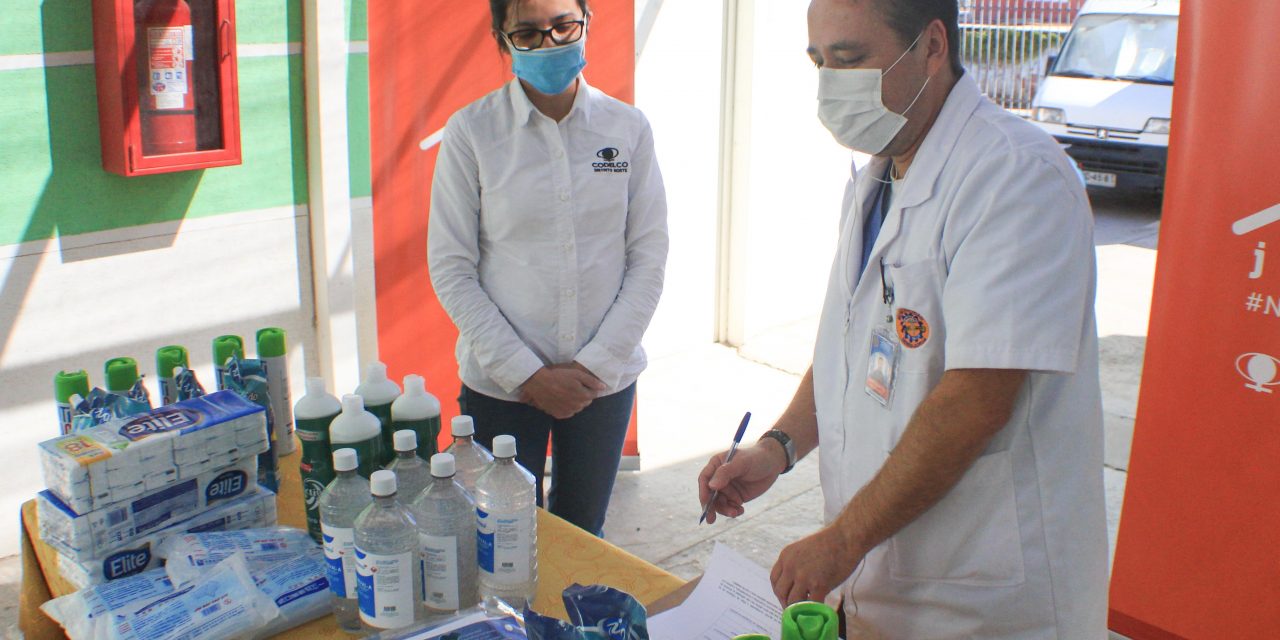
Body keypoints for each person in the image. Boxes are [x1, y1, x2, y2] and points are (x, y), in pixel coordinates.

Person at [697, 0, 1107, 636]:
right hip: (883, 583)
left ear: (933, 46)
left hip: (982, 598)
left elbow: (976, 400)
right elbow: (852, 354)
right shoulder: (878, 179)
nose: (832, 83)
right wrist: (777, 448)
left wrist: (843, 538)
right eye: (819, 62)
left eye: (851, 59)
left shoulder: (1015, 177)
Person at [428, 0, 667, 537]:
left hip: (601, 385)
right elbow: (451, 268)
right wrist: (528, 375)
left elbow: (648, 256)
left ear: (587, 24)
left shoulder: (626, 128)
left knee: (583, 535)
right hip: (502, 386)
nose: (552, 44)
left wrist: (596, 366)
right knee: (501, 538)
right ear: (501, 39)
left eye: (564, 27)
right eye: (529, 34)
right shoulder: (473, 133)